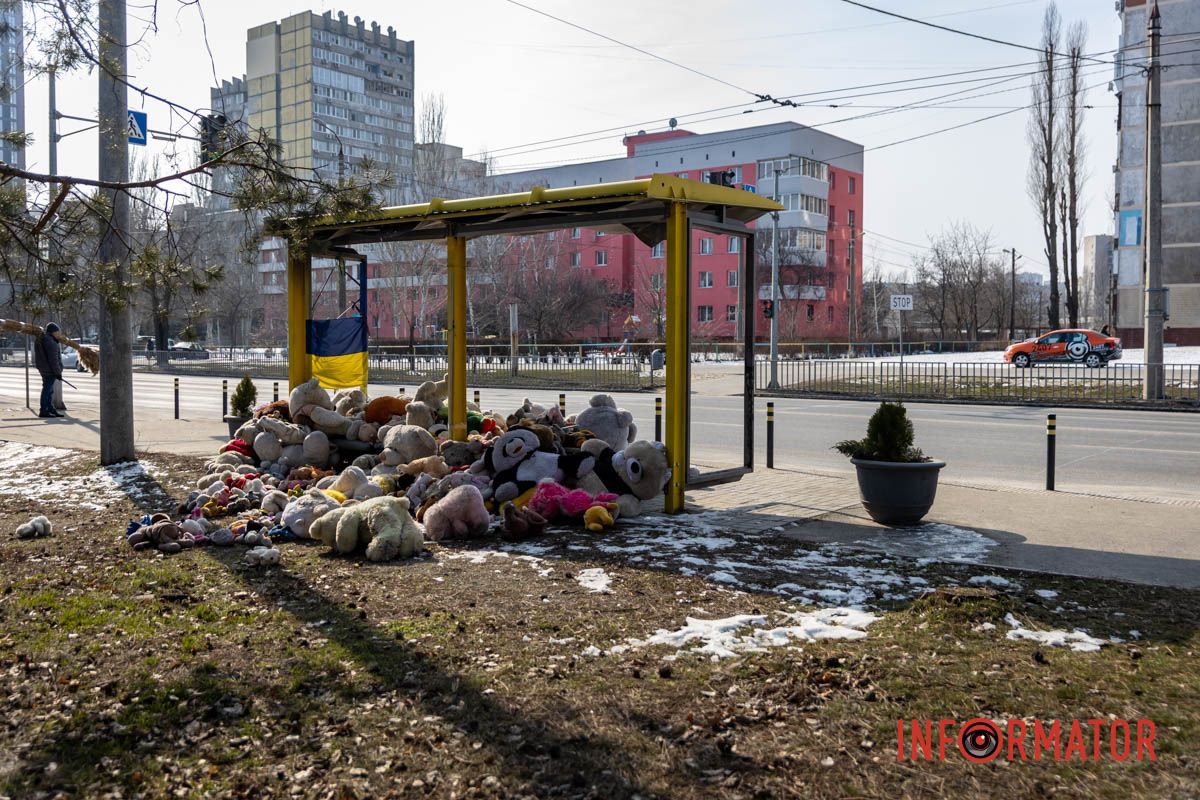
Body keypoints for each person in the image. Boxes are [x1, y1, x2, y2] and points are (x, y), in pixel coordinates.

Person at [33, 322, 64, 418]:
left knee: (49, 390)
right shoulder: (51, 342)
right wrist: (58, 373)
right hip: (49, 370)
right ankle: (44, 410)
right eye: (57, 332)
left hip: (44, 368)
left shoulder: (43, 339)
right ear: (53, 332)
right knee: (47, 390)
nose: (59, 334)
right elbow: (53, 360)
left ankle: (50, 409)